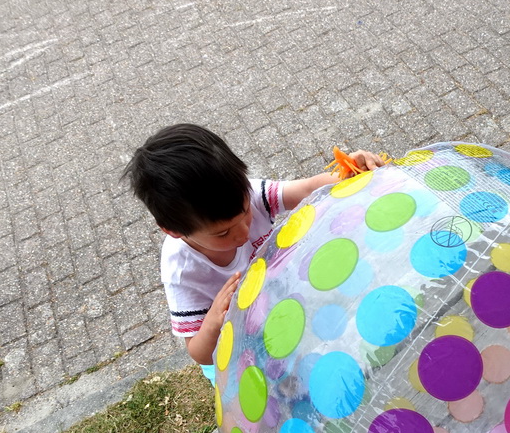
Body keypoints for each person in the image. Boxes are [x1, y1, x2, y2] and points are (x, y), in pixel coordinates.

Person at [124, 123, 384, 365]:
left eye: (247, 213)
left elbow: (308, 189)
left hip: (282, 299)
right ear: (174, 231)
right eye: (223, 234)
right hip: (244, 338)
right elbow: (199, 354)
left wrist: (352, 171)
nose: (243, 234)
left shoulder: (246, 194)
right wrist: (214, 319)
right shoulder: (183, 271)